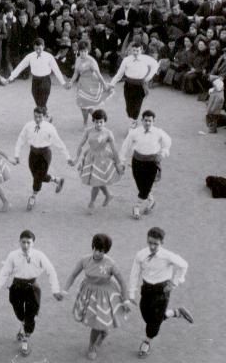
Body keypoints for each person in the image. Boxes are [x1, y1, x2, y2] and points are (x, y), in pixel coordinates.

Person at [0, 230, 63, 357]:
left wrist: (55, 290)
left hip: (32, 288)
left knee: (30, 316)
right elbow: (4, 273)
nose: (26, 245)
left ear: (33, 243)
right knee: (20, 314)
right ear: (19, 242)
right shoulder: (13, 255)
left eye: (28, 242)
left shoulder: (39, 255)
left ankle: (25, 340)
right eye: (23, 242)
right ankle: (22, 326)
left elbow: (51, 271)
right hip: (17, 288)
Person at [61, 234, 131, 360]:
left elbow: (122, 282)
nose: (98, 253)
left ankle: (92, 346)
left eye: (102, 251)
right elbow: (72, 275)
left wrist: (125, 299)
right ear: (92, 246)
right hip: (88, 293)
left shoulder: (110, 263)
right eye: (96, 249)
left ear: (106, 251)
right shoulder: (84, 260)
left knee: (97, 323)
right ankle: (100, 335)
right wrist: (65, 290)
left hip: (105, 295)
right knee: (95, 322)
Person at [128, 227, 194, 358]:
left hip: (161, 291)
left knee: (154, 322)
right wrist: (131, 293)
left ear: (162, 243)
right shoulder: (140, 254)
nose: (152, 246)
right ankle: (175, 312)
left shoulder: (168, 256)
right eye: (150, 242)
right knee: (146, 316)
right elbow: (134, 274)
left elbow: (184, 265)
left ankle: (146, 342)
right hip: (146, 290)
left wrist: (175, 282)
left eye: (155, 244)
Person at [14, 106, 71, 211]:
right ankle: (57, 180)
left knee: (38, 178)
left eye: (40, 117)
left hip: (45, 154)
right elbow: (21, 139)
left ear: (44, 116)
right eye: (35, 117)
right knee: (36, 175)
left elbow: (59, 142)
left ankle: (33, 197)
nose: (38, 119)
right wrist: (17, 155)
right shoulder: (28, 126)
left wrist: (67, 157)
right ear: (33, 115)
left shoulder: (49, 127)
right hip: (33, 154)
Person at [119, 110, 171, 220]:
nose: (147, 123)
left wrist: (163, 153)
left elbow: (167, 142)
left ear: (154, 121)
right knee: (140, 185)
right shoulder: (134, 132)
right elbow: (125, 146)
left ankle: (136, 207)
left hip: (152, 163)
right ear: (142, 120)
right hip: (137, 161)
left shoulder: (159, 132)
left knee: (147, 186)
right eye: (145, 120)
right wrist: (122, 161)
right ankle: (151, 200)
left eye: (150, 121)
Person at [69, 109, 122, 213]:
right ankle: (108, 195)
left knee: (96, 182)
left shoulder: (108, 133)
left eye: (101, 122)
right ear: (93, 121)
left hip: (103, 159)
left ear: (104, 121)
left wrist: (118, 163)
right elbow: (81, 144)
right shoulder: (88, 131)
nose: (98, 124)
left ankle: (92, 203)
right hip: (90, 157)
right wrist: (76, 158)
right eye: (96, 122)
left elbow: (114, 149)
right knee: (97, 180)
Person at [7, 38, 68, 122]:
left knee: (41, 102)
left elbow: (56, 70)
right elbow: (21, 66)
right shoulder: (30, 56)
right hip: (35, 80)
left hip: (45, 80)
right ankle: (46, 114)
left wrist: (63, 82)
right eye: (36, 49)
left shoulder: (49, 57)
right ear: (33, 47)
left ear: (43, 46)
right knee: (38, 102)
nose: (38, 51)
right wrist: (11, 77)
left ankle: (41, 121)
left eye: (40, 48)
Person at [109, 40, 160, 129]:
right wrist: (112, 83)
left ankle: (133, 124)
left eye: (138, 50)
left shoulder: (146, 59)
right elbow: (119, 73)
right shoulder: (126, 60)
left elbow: (155, 65)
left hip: (140, 86)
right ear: (131, 50)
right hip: (128, 85)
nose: (135, 52)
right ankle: (132, 121)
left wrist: (149, 77)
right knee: (129, 106)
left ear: (141, 50)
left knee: (137, 105)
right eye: (134, 50)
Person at [66, 40, 115, 127]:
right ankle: (94, 120)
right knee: (83, 105)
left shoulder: (92, 61)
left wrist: (104, 85)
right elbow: (76, 73)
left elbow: (98, 74)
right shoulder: (77, 59)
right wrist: (71, 82)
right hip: (81, 85)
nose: (83, 53)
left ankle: (96, 119)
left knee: (86, 106)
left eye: (85, 51)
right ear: (79, 51)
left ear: (88, 51)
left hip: (91, 84)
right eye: (81, 51)